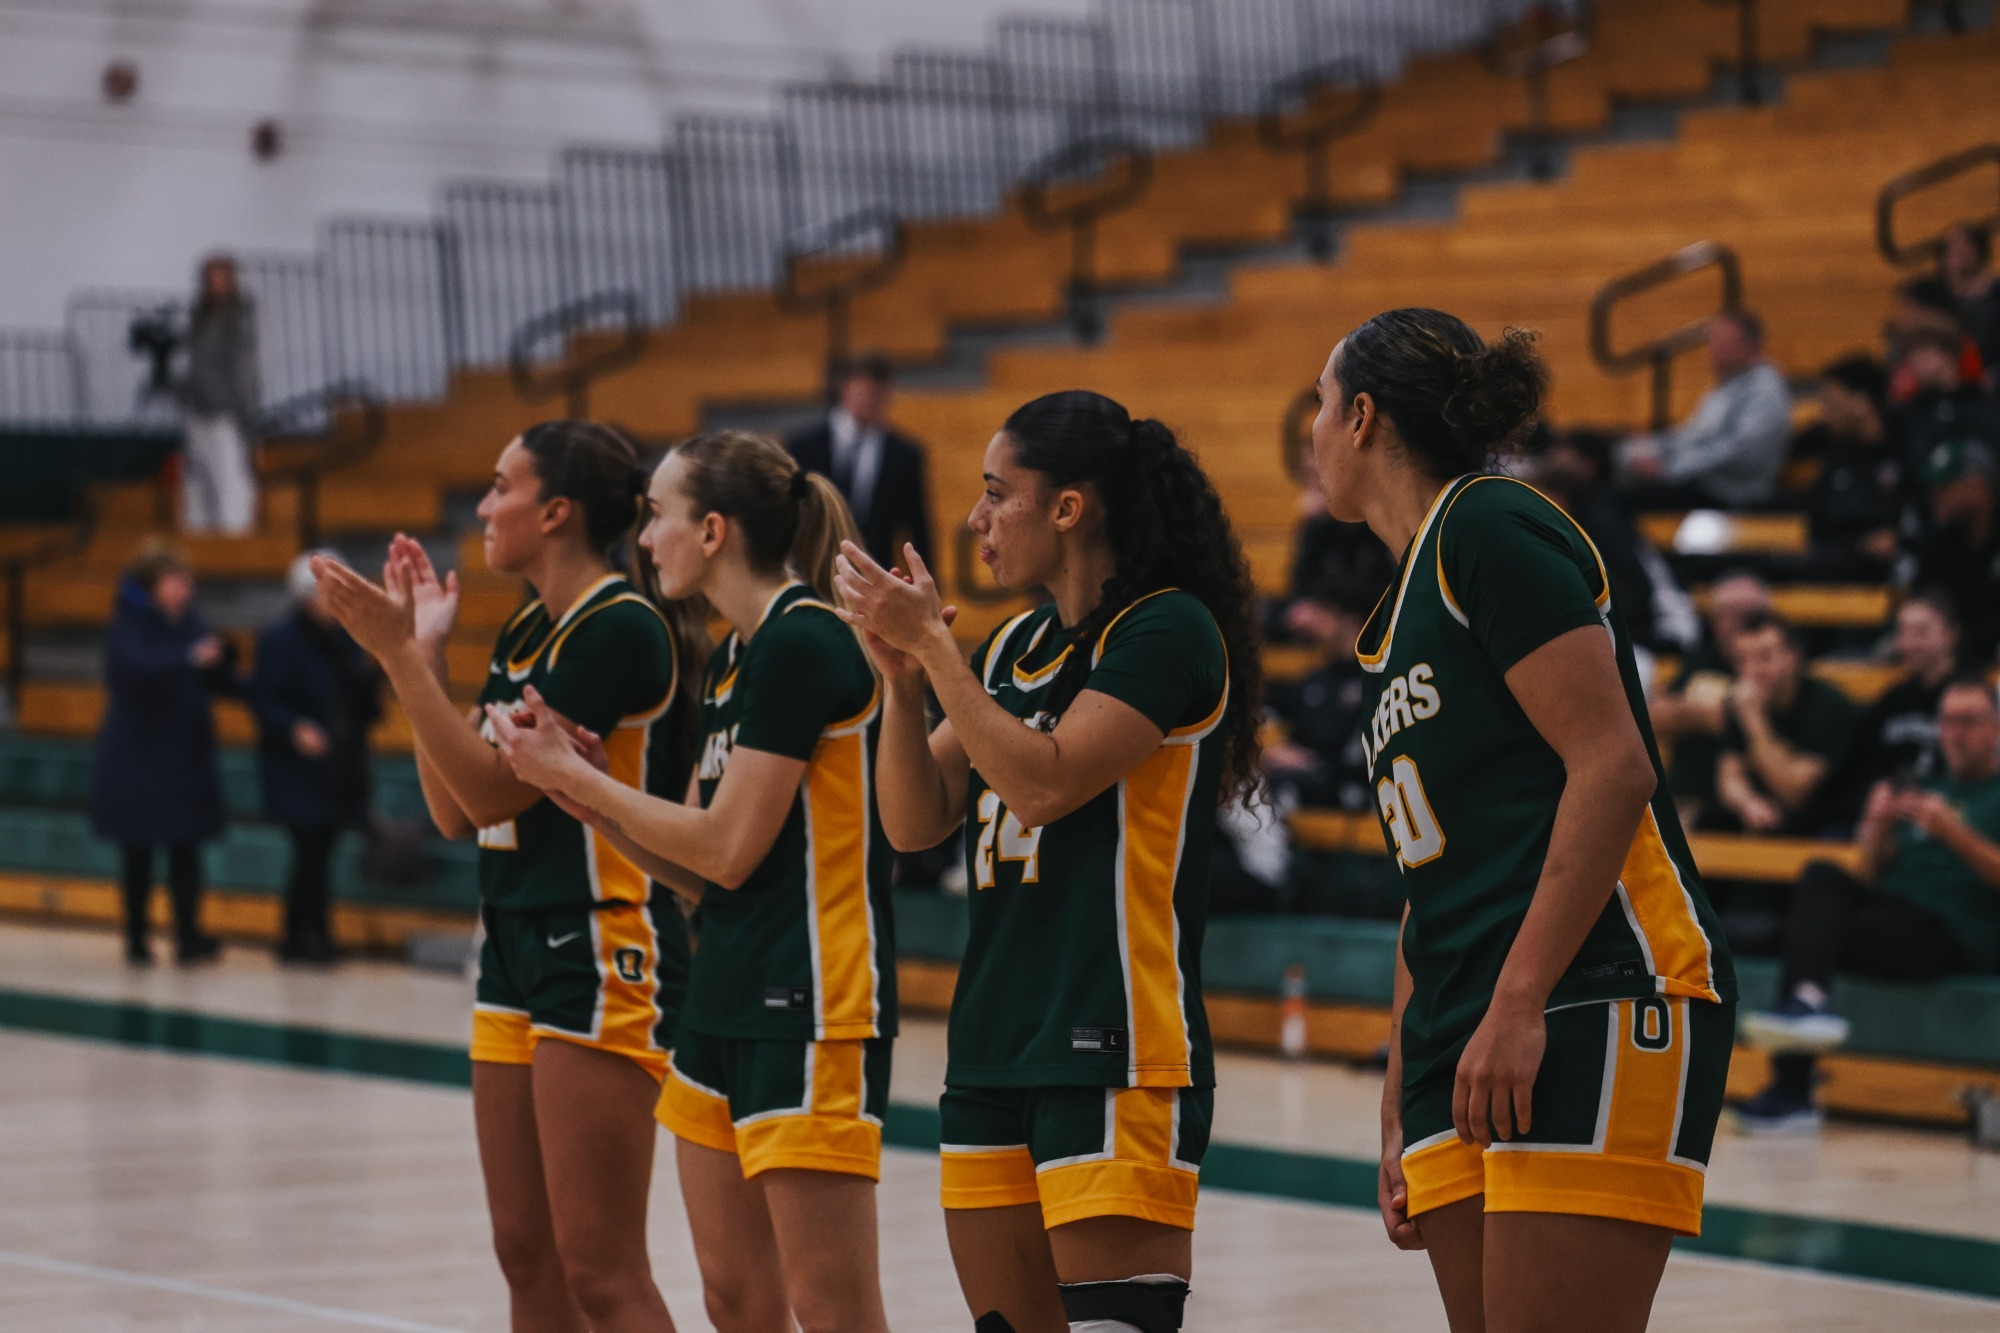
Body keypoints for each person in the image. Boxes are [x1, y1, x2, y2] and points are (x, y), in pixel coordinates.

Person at [1309, 309, 1735, 1333]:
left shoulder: (1485, 524)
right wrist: (1393, 1101)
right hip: (1463, 1029)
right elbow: (1434, 881)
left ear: (1362, 417)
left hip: (1590, 990)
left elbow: (1612, 764)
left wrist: (1516, 999)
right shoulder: (1394, 613)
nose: (1312, 432)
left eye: (1318, 408)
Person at [834, 390, 1263, 1333]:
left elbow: (1045, 781)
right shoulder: (1014, 646)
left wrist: (937, 651)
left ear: (1068, 508)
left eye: (998, 494)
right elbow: (913, 822)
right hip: (991, 1045)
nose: (976, 520)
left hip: (1114, 1043)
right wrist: (903, 686)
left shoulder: (1168, 628)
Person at [489, 431, 898, 1333]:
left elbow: (727, 849)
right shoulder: (736, 655)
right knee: (735, 1301)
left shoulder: (803, 640)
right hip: (723, 997)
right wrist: (590, 797)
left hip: (813, 999)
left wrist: (586, 780)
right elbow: (691, 872)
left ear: (713, 531)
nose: (645, 539)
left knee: (831, 1307)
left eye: (660, 518)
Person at [312, 421, 703, 1333]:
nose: (484, 506)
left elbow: (489, 793)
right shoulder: (530, 621)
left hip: (601, 936)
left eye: (500, 487)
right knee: (524, 1253)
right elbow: (455, 811)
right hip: (513, 941)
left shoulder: (620, 627)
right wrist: (427, 659)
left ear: (556, 511)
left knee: (601, 1270)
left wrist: (400, 657)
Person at [1736, 677, 2000, 1132]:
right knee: (1821, 877)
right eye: (1946, 722)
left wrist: (1954, 833)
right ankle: (1807, 1002)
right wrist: (1874, 828)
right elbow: (1872, 873)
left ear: (1996, 727)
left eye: (1968, 721)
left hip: (1953, 931)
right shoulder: (1928, 785)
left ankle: (1793, 1089)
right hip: (1893, 914)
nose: (1954, 733)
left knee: (1800, 936)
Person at [90, 540, 238, 966]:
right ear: (153, 585)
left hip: (184, 757)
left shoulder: (190, 623)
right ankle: (136, 937)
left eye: (186, 580)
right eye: (176, 580)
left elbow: (212, 677)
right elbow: (135, 671)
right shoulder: (127, 627)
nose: (185, 588)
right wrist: (188, 657)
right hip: (138, 758)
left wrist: (225, 664)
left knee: (186, 849)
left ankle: (188, 935)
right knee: (138, 852)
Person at [250, 551, 383, 963]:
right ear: (308, 597)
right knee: (309, 850)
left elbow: (361, 701)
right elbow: (263, 699)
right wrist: (294, 727)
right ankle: (302, 935)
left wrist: (378, 670)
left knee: (322, 851)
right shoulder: (280, 639)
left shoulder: (347, 639)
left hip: (339, 763)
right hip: (297, 766)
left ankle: (310, 933)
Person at [1616, 310, 1791, 508]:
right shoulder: (1724, 385)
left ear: (1749, 345)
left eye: (1722, 342)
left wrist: (1670, 469)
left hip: (1731, 493)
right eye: (1712, 342)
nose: (1712, 350)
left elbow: (1741, 452)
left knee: (1613, 502)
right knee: (1609, 461)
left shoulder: (1765, 391)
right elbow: (1693, 435)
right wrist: (1647, 449)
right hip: (1698, 481)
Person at [1710, 612, 1857, 836]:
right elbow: (1728, 776)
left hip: (1827, 819)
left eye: (1765, 657)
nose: (1752, 671)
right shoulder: (1742, 703)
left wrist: (1753, 719)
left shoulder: (1828, 706)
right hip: (1767, 814)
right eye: (1742, 660)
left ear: (1793, 656)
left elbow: (1793, 793)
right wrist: (1748, 803)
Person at [786, 353, 933, 570]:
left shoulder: (904, 455)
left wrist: (927, 582)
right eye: (863, 390)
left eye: (876, 392)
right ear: (844, 388)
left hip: (875, 573)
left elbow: (917, 527)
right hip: (814, 568)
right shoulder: (803, 447)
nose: (869, 399)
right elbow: (791, 515)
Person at [1650, 570, 1771, 825]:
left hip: (1756, 803)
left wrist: (1712, 712)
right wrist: (1695, 712)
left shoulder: (1777, 666)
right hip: (1690, 798)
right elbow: (1653, 718)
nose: (1732, 623)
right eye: (1724, 614)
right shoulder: (1704, 659)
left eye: (1745, 614)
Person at [1833, 590, 1961, 817]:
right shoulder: (1891, 701)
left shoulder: (1972, 700)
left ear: (1951, 634)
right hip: (1887, 819)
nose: (1910, 643)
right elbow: (1858, 768)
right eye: (1903, 632)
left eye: (1921, 632)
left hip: (1952, 816)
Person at [1792, 356, 1917, 582]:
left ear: (1862, 401)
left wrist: (1899, 538)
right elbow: (1816, 528)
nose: (1824, 412)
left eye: (1831, 401)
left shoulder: (1908, 447)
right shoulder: (1836, 454)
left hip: (1893, 569)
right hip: (1837, 565)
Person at [181, 254, 262, 536]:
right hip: (199, 409)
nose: (215, 285)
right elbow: (196, 366)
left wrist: (244, 411)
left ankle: (234, 535)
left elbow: (244, 370)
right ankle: (200, 534)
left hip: (226, 412)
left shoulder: (237, 320)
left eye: (220, 278)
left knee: (230, 477)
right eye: (210, 279)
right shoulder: (200, 318)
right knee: (198, 479)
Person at [1910, 438, 2000, 668]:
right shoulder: (1939, 541)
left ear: (1978, 487)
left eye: (1945, 487)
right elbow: (1923, 598)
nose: (1934, 496)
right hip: (1950, 657)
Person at [1939, 222, 1999, 384]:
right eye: (1953, 247)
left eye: (1966, 245)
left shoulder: (1995, 292)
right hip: (1950, 377)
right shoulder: (1939, 296)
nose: (1960, 251)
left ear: (1980, 252)